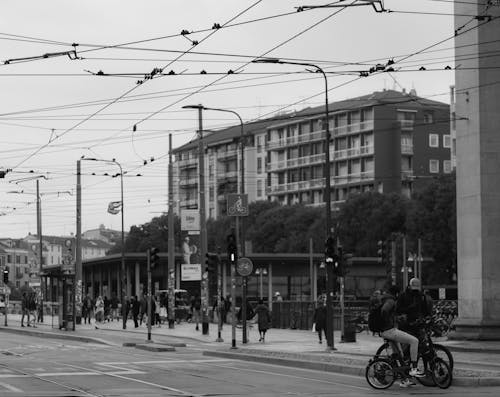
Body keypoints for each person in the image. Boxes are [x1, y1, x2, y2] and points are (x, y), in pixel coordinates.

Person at [379, 285, 424, 386]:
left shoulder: (385, 298)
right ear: (397, 293)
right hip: (389, 330)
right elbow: (384, 311)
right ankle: (414, 368)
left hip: (387, 330)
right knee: (414, 341)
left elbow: (388, 312)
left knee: (400, 355)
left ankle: (404, 380)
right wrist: (388, 324)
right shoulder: (390, 300)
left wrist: (395, 319)